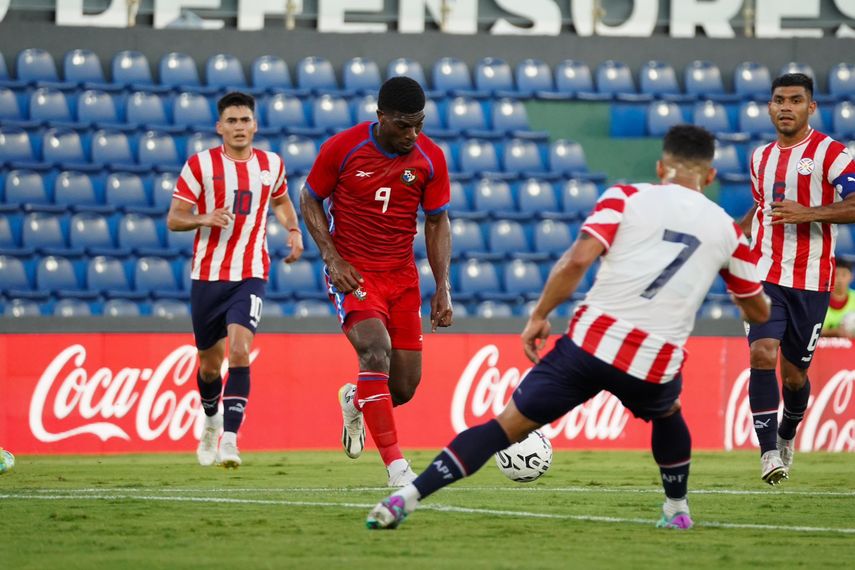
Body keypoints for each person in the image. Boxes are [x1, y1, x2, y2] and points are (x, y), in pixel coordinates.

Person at [365, 125, 770, 530]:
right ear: (710, 176)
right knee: (668, 413)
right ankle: (677, 509)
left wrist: (540, 314)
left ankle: (405, 498)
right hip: (653, 358)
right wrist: (738, 287)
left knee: (504, 427)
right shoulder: (728, 232)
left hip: (591, 344)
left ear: (661, 167)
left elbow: (577, 261)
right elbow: (757, 310)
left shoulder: (624, 198)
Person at [300, 76, 453, 487]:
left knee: (402, 388)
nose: (412, 134)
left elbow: (437, 221)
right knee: (374, 350)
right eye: (403, 125)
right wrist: (332, 258)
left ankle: (355, 399)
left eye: (419, 125)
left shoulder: (431, 158)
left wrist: (442, 286)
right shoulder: (343, 147)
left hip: (402, 277)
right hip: (354, 272)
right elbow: (309, 197)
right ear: (381, 117)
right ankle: (397, 469)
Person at [167, 91, 303, 468]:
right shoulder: (200, 165)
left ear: (255, 125)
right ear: (219, 127)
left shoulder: (271, 164)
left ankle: (230, 439)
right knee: (209, 367)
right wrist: (204, 218)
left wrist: (293, 229)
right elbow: (175, 217)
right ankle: (211, 419)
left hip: (251, 272)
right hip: (208, 276)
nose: (239, 127)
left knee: (240, 350)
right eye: (232, 121)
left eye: (245, 120)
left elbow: (280, 200)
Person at [738, 73, 855, 484]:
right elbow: (760, 208)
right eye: (779, 100)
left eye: (795, 100)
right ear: (769, 106)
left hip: (811, 281)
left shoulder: (832, 153)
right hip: (764, 274)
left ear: (811, 107)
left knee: (794, 376)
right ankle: (768, 453)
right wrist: (732, 236)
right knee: (762, 353)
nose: (786, 107)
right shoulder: (759, 158)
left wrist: (809, 213)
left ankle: (786, 434)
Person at [821, 258, 855, 337]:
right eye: (836, 275)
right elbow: (810, 330)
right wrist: (834, 332)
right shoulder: (820, 299)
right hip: (822, 344)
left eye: (844, 275)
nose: (840, 279)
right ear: (829, 276)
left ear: (851, 277)